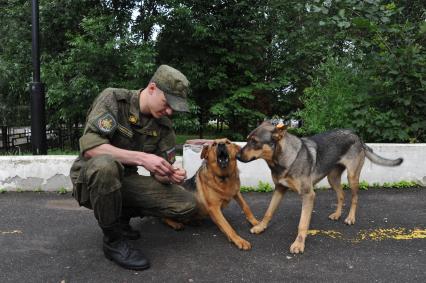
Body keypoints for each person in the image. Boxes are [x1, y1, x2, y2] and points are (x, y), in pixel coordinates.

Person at [69, 65, 197, 270]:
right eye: (167, 103)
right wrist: (142, 158)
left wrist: (169, 174)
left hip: (125, 181)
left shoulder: (163, 125)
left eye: (175, 107)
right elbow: (90, 148)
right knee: (106, 167)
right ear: (152, 88)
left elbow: (161, 173)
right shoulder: (113, 99)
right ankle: (113, 241)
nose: (170, 111)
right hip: (90, 178)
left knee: (187, 204)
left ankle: (121, 218)